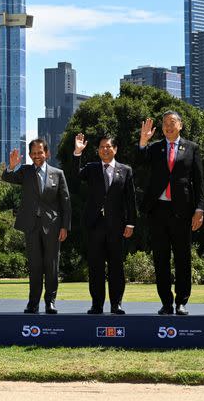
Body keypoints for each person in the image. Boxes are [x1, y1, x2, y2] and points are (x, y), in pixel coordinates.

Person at [138, 111, 204, 316]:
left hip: (182, 211)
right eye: (165, 123)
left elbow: (200, 182)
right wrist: (143, 141)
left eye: (172, 122)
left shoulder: (192, 148)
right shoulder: (155, 147)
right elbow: (140, 162)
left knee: (183, 258)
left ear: (180, 125)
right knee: (161, 259)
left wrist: (199, 209)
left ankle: (181, 302)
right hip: (158, 210)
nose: (168, 126)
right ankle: (166, 303)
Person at [2, 139, 71, 315]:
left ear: (46, 153)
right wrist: (11, 166)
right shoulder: (25, 171)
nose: (37, 156)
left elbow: (65, 203)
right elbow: (7, 177)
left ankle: (50, 302)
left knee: (51, 265)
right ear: (30, 155)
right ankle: (33, 303)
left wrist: (65, 226)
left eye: (40, 152)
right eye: (33, 153)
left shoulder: (58, 173)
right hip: (31, 226)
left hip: (53, 227)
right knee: (35, 266)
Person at [72, 133, 136, 315]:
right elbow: (75, 176)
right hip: (94, 226)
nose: (105, 150)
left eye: (108, 146)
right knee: (95, 267)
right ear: (98, 151)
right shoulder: (91, 168)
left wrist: (131, 223)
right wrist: (77, 152)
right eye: (101, 147)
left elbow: (130, 199)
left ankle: (116, 304)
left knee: (117, 266)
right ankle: (97, 304)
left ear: (115, 149)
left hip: (117, 227)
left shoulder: (125, 170)